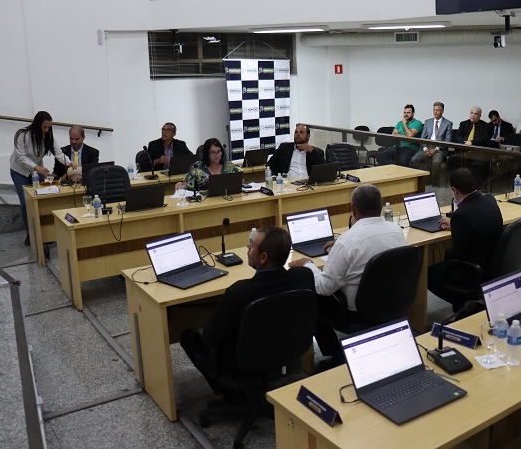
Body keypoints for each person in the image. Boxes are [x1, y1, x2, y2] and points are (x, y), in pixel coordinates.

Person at [179, 226, 314, 404]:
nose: (248, 248)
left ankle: (231, 395)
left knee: (189, 336)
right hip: (289, 350)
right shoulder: (303, 276)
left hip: (243, 362)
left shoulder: (239, 292)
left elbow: (210, 337)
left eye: (252, 246)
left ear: (263, 258)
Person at [289, 184, 407, 369]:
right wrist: (340, 246)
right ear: (381, 206)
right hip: (392, 303)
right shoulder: (396, 230)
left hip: (355, 312)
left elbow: (324, 287)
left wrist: (308, 265)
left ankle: (335, 355)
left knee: (309, 296)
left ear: (353, 209)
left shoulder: (348, 242)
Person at [427, 168, 503, 312]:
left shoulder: (461, 214)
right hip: (494, 263)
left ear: (455, 190)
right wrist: (457, 226)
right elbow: (477, 222)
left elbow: (459, 254)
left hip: (474, 270)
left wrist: (457, 227)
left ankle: (463, 305)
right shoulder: (490, 200)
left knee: (428, 274)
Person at [9, 111, 71, 245]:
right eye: (44, 127)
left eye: (49, 127)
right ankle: (30, 234)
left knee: (42, 200)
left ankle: (44, 235)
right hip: (20, 171)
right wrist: (37, 168)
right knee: (26, 203)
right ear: (37, 124)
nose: (47, 130)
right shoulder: (22, 135)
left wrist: (70, 163)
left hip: (37, 171)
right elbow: (21, 157)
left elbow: (58, 153)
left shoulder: (48, 136)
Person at [411, 102, 453, 186]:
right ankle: (428, 176)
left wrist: (436, 149)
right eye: (434, 110)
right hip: (427, 146)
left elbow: (448, 141)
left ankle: (434, 182)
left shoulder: (448, 123)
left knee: (436, 162)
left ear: (442, 111)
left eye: (438, 110)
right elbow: (422, 138)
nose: (435, 112)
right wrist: (425, 149)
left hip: (440, 148)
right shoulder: (428, 122)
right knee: (414, 159)